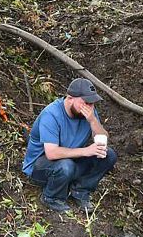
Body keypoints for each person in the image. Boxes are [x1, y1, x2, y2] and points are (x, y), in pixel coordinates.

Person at [22, 78, 117, 212]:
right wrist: (86, 151)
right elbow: (52, 153)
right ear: (70, 98)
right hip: (42, 168)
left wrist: (93, 121)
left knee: (108, 154)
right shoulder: (51, 114)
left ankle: (80, 190)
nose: (89, 107)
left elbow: (103, 137)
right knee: (66, 165)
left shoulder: (89, 113)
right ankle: (51, 197)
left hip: (71, 161)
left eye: (92, 103)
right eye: (85, 102)